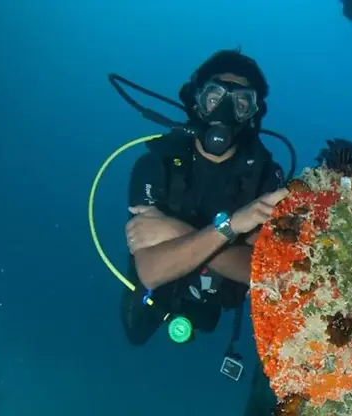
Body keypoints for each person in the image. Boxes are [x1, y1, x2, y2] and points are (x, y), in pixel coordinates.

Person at [120, 49, 289, 348]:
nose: (224, 110)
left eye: (240, 102)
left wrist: (175, 231)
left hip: (210, 300)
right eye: (215, 97)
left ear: (253, 113)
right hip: (158, 295)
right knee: (135, 332)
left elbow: (258, 272)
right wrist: (233, 227)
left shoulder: (265, 178)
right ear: (196, 101)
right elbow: (151, 271)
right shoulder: (155, 164)